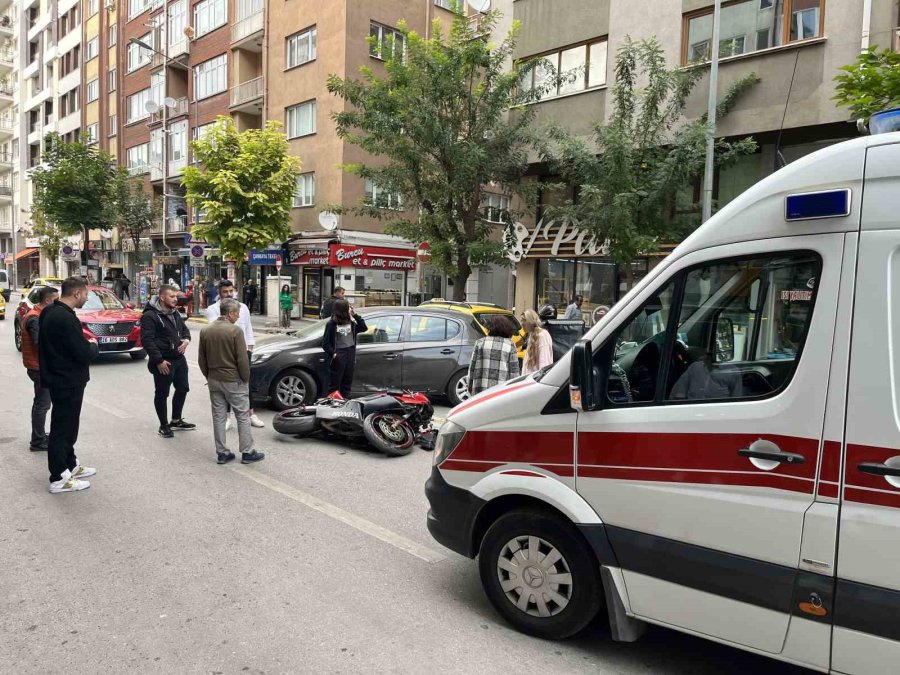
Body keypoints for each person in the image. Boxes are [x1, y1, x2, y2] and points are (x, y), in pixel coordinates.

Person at [38, 277, 98, 494]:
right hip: (66, 380)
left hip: (60, 378)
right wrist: (93, 346)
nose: (87, 297)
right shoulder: (64, 318)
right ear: (76, 294)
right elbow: (81, 352)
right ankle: (58, 476)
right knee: (62, 428)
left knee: (69, 425)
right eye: (86, 294)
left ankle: (70, 464)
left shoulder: (50, 311)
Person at [198, 298, 265, 465]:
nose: (238, 316)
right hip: (234, 380)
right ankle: (247, 451)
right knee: (242, 415)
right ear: (229, 313)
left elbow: (202, 359)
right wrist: (245, 379)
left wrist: (209, 376)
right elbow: (242, 360)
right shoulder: (235, 331)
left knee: (219, 416)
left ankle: (222, 452)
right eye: (237, 313)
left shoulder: (206, 330)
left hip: (214, 379)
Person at [206, 279, 264, 428]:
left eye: (231, 291)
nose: (228, 294)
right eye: (225, 291)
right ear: (219, 292)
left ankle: (251, 414)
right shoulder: (213, 309)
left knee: (246, 382)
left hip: (244, 350)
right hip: (224, 353)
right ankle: (227, 417)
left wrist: (250, 348)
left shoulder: (243, 307)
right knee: (226, 385)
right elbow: (216, 330)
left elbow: (248, 328)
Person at [141, 284, 196, 438]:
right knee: (162, 393)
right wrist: (159, 360)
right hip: (163, 361)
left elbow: (184, 330)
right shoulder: (150, 316)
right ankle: (163, 425)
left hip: (179, 359)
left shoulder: (175, 312)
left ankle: (176, 420)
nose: (175, 299)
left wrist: (186, 339)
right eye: (172, 296)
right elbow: (147, 341)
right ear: (162, 297)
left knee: (183, 388)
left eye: (176, 296)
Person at [21, 286, 58, 452]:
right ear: (48, 300)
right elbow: (40, 343)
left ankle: (40, 435)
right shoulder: (35, 318)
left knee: (41, 403)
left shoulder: (38, 315)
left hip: (37, 365)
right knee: (42, 404)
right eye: (56, 300)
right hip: (38, 367)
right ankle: (37, 440)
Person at [322, 298, 368, 399]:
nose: (350, 309)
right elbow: (325, 343)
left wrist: (355, 315)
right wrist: (333, 354)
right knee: (335, 383)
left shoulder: (351, 324)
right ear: (343, 309)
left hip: (350, 353)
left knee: (347, 381)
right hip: (339, 354)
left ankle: (345, 402)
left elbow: (364, 327)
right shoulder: (332, 324)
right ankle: (332, 404)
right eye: (348, 307)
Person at [467, 315, 520, 396]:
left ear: (490, 327)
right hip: (500, 390)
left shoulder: (480, 343)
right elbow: (514, 372)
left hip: (480, 388)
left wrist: (470, 384)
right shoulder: (510, 345)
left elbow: (472, 368)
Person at [522, 308, 554, 375]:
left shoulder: (542, 336)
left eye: (524, 321)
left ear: (530, 322)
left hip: (535, 381)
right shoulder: (532, 334)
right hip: (529, 380)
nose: (522, 324)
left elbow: (544, 363)